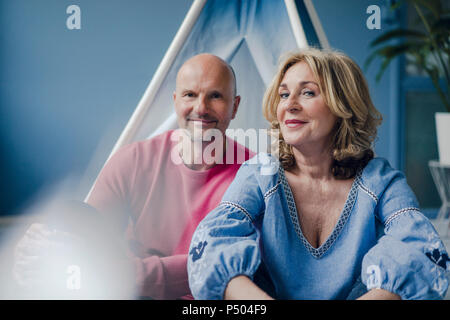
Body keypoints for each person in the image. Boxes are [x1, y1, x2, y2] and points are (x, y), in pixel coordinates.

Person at [187, 48, 450, 300]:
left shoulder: (380, 181)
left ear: (342, 105)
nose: (289, 105)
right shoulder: (260, 174)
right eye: (284, 94)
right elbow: (211, 246)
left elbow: (421, 251)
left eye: (308, 93)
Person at [13, 53, 254, 299]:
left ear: (234, 106)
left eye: (215, 96)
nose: (201, 108)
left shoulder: (254, 173)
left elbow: (226, 262)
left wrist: (130, 274)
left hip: (205, 299)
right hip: (135, 294)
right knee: (72, 217)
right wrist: (39, 247)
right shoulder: (135, 159)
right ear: (175, 101)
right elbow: (84, 235)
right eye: (189, 95)